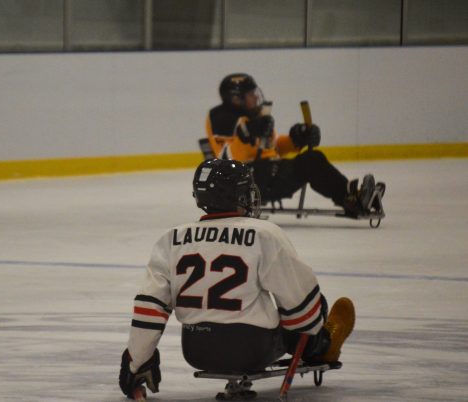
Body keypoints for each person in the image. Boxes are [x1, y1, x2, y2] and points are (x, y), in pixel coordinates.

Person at [118, 158, 356, 399]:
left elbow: (149, 309)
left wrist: (136, 362)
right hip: (253, 349)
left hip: (196, 351)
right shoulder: (265, 234)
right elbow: (303, 313)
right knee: (312, 303)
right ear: (239, 195)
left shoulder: (171, 239)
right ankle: (325, 346)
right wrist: (313, 335)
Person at [205, 72, 381, 216]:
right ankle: (350, 198)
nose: (255, 97)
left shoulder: (256, 117)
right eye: (250, 94)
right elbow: (229, 159)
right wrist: (246, 134)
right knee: (312, 161)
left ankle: (350, 196)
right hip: (246, 182)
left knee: (311, 159)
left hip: (268, 175)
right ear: (236, 99)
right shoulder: (220, 118)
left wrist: (296, 139)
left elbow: (272, 147)